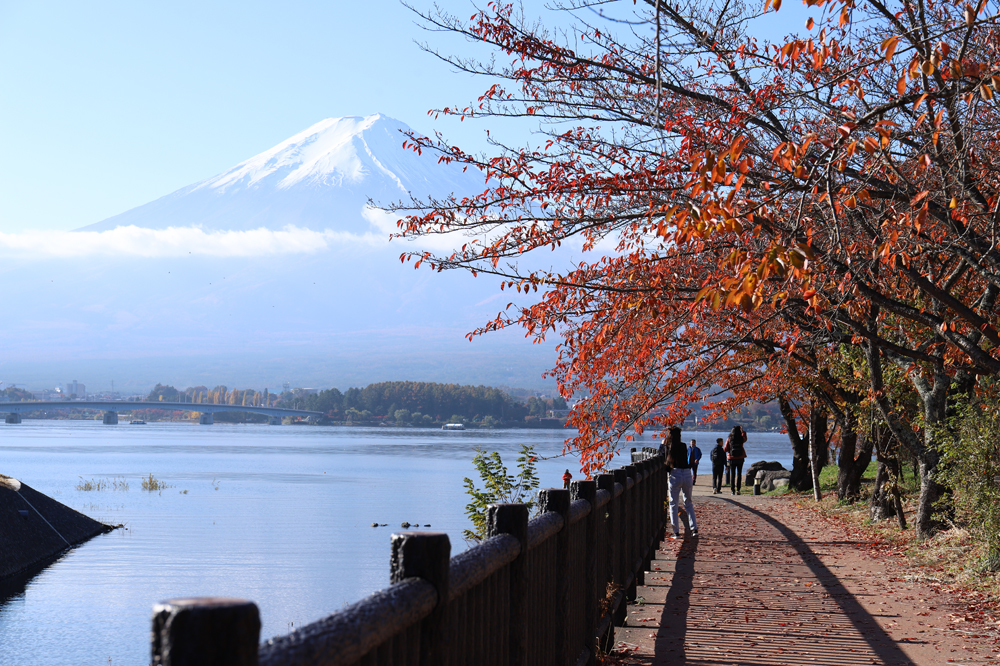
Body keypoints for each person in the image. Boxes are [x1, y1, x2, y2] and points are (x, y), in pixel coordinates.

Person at [665, 426, 698, 539]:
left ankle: (676, 532)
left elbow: (664, 459)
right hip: (687, 473)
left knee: (673, 504)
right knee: (688, 502)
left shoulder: (669, 447)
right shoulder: (683, 446)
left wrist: (662, 445)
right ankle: (694, 529)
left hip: (675, 474)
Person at [725, 425, 748, 495]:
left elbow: (725, 449)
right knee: (739, 474)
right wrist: (743, 431)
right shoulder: (741, 439)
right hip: (740, 457)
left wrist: (729, 450)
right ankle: (738, 489)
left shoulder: (729, 439)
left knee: (732, 474)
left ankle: (732, 490)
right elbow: (745, 438)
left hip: (732, 458)